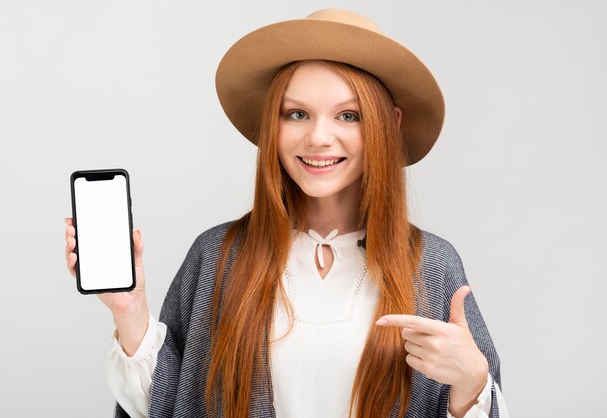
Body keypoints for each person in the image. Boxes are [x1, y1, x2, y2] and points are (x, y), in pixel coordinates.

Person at [64, 8, 509, 418]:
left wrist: (471, 385)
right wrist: (130, 314)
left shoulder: (431, 265)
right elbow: (164, 407)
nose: (318, 137)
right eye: (296, 113)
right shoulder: (217, 257)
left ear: (388, 125)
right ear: (271, 127)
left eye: (348, 116)